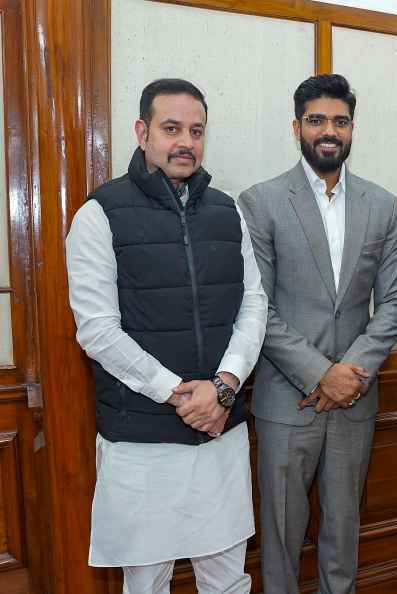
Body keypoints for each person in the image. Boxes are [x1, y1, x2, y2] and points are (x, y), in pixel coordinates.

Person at [66, 78, 268, 593]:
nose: (185, 142)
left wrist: (223, 387)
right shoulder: (99, 214)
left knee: (227, 579)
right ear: (142, 132)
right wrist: (178, 394)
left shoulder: (228, 211)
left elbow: (253, 303)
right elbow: (97, 330)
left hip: (219, 427)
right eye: (171, 128)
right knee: (147, 581)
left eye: (196, 131)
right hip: (143, 435)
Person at [239, 73, 397, 594]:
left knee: (343, 535)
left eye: (339, 121)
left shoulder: (381, 204)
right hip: (286, 400)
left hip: (355, 398)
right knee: (281, 538)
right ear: (297, 127)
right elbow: (257, 307)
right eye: (317, 120)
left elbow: (394, 300)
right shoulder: (261, 201)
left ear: (353, 129)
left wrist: (349, 375)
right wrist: (320, 373)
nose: (328, 130)